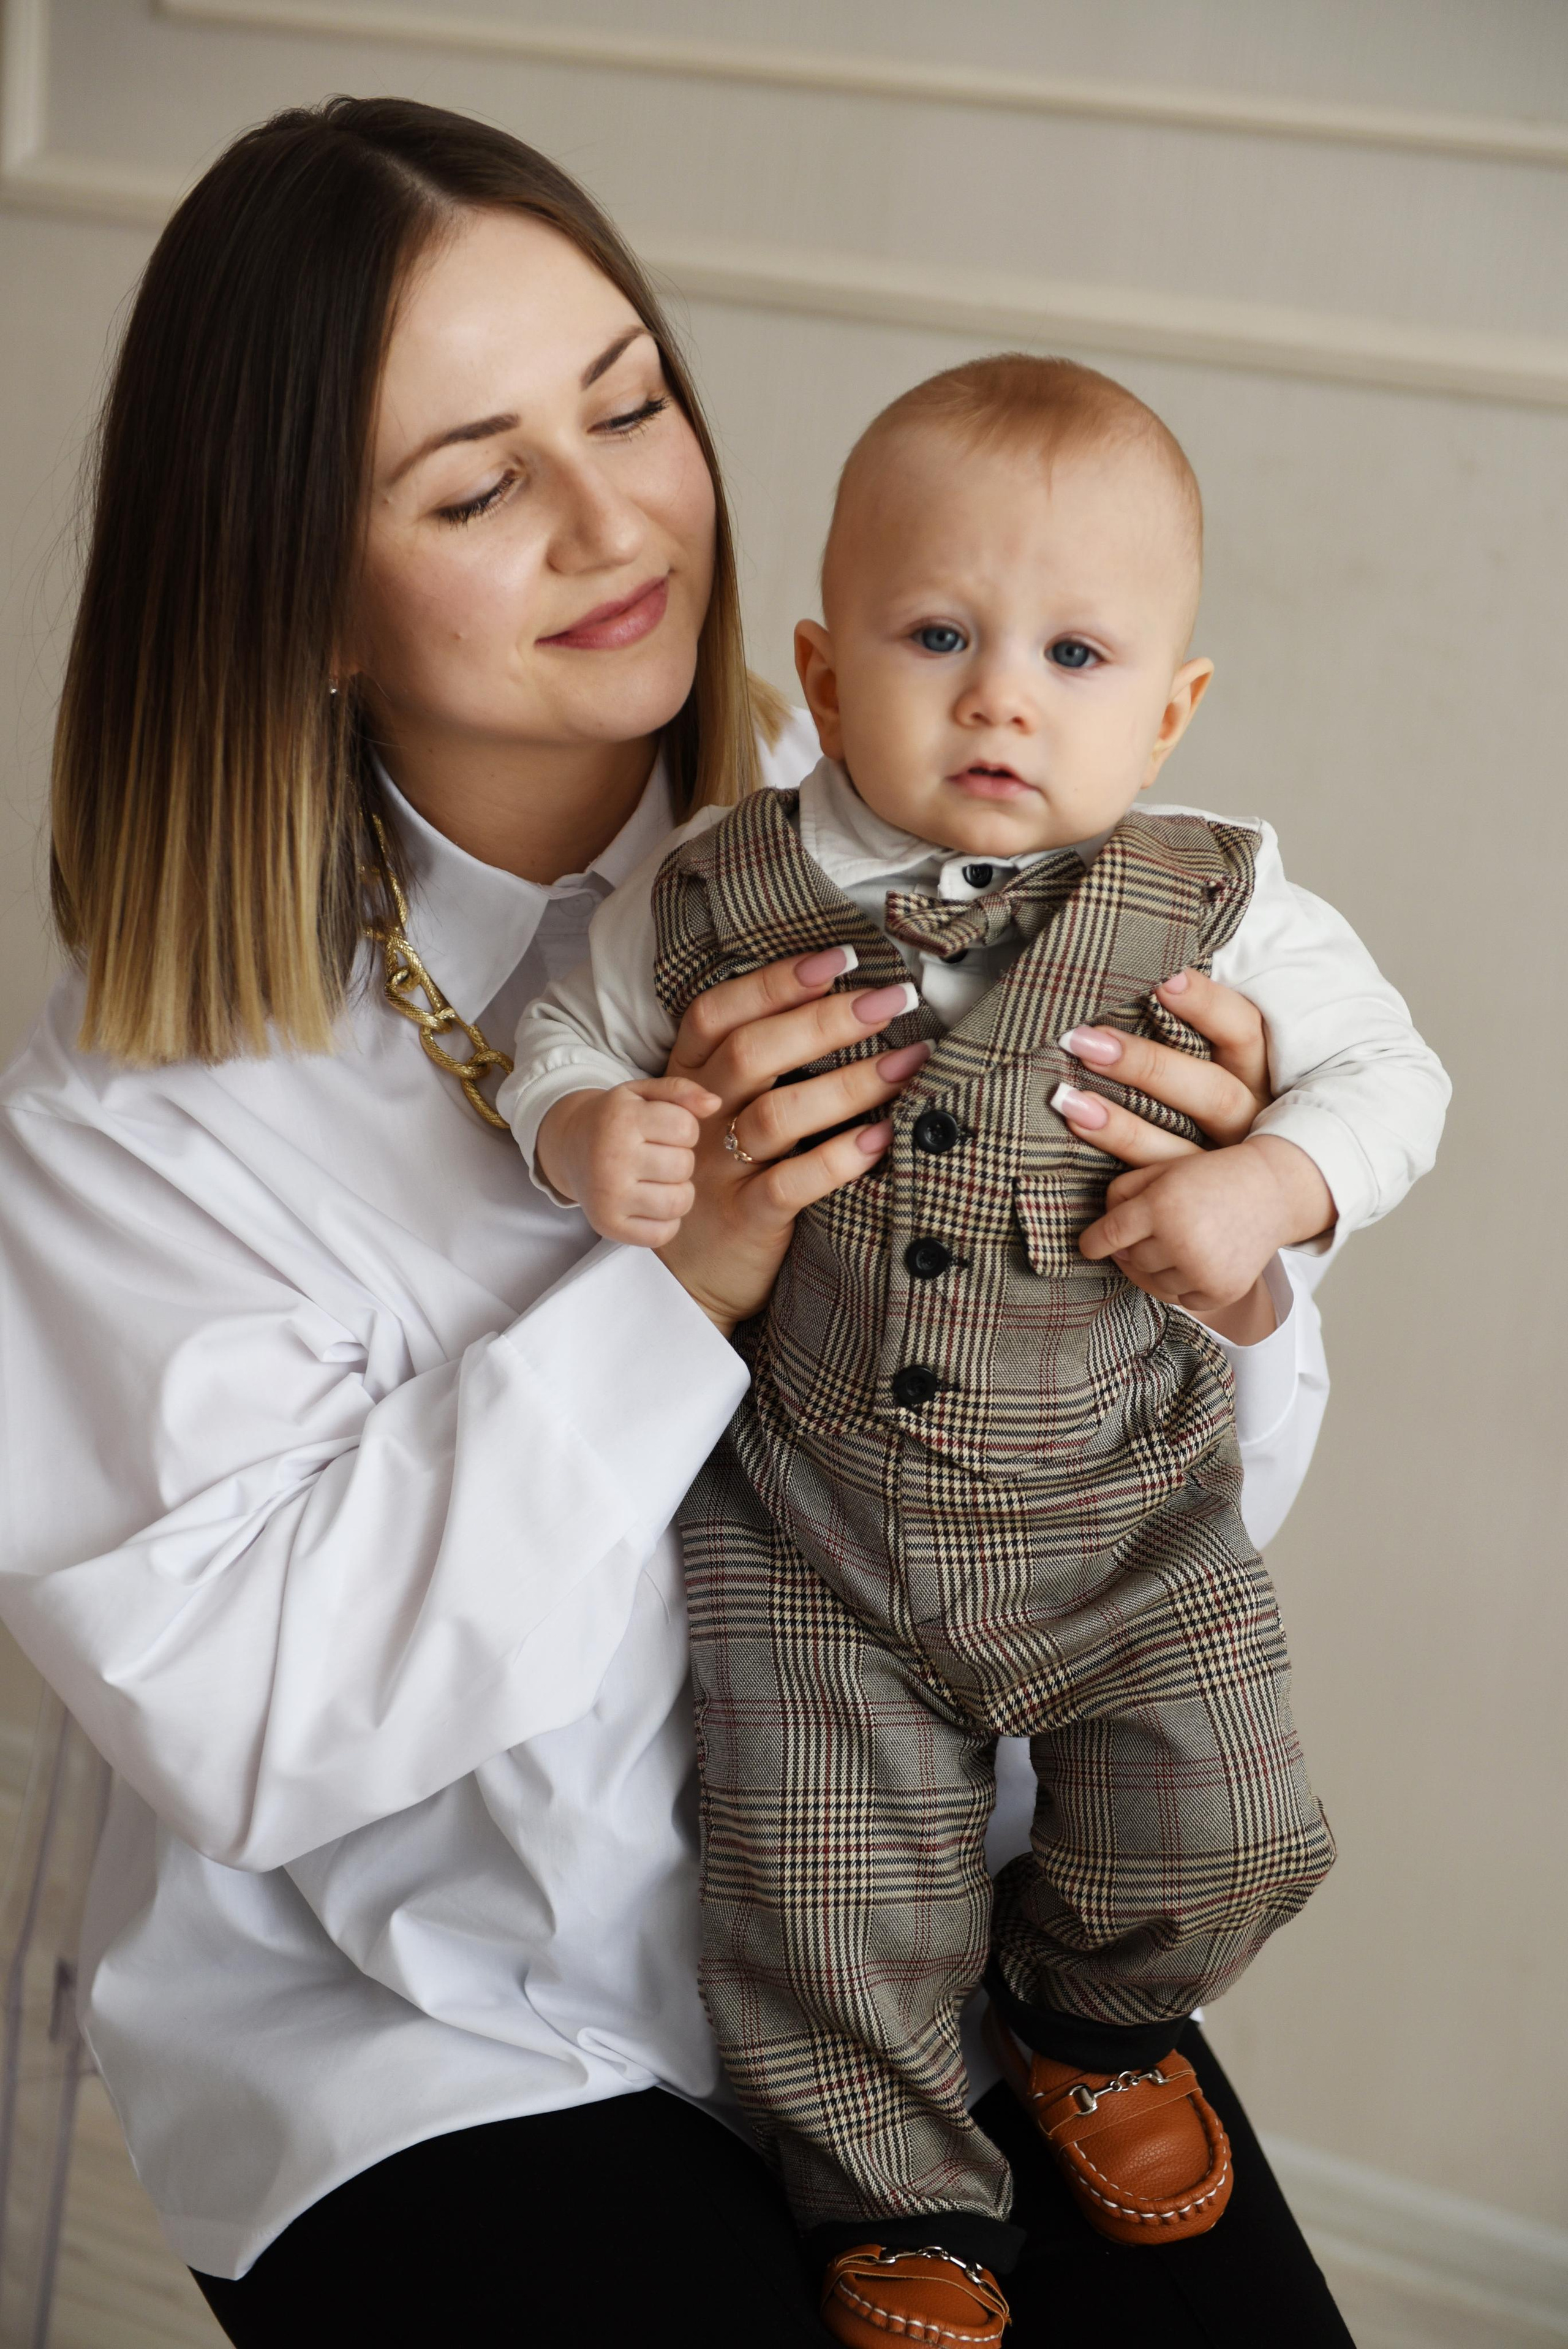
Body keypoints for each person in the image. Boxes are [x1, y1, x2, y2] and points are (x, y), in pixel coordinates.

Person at [0, 97, 1352, 2347]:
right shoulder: (140, 1107)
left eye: (630, 402)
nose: (618, 515)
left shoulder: (961, 847)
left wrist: (1219, 1248)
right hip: (449, 2038)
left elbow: (1199, 1525)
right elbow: (258, 1726)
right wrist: (679, 1282)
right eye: (475, 482)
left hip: (961, 1924)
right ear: (296, 590)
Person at [503, 357, 1449, 2341]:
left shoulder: (1224, 898)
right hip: (816, 1534)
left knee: (1235, 1807)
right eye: (940, 636)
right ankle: (899, 2196)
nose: (1006, 694)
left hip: (1126, 1513)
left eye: (1078, 651)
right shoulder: (714, 896)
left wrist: (1277, 1182)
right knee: (822, 1892)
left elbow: (1395, 1077)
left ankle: (1095, 2008)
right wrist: (593, 1128)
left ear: (1172, 705)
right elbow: (562, 1047)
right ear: (825, 677)